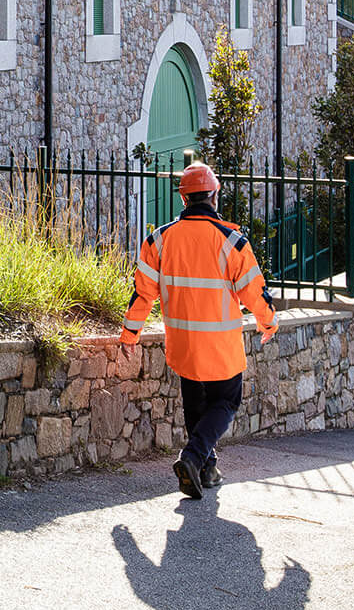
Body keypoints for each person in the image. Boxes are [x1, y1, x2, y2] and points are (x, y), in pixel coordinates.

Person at [117, 161, 278, 500]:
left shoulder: (158, 241)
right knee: (226, 401)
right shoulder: (232, 242)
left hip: (184, 343)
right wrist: (269, 322)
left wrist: (130, 334)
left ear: (184, 199)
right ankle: (191, 458)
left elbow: (143, 294)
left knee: (195, 404)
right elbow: (254, 291)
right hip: (220, 344)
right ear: (214, 196)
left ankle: (206, 468)